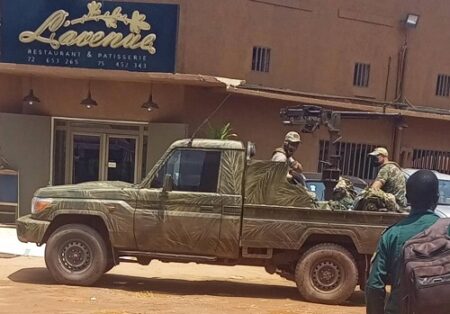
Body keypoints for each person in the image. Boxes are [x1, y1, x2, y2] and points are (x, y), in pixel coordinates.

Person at [366, 170, 441, 314]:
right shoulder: (447, 229)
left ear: (407, 198)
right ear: (437, 198)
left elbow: (374, 286)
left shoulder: (392, 235)